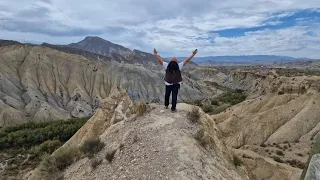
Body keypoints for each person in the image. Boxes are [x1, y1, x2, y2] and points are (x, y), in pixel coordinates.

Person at [153, 48, 198, 112]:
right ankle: (173, 109)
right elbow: (187, 60)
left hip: (168, 84)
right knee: (174, 96)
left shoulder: (167, 65)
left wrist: (155, 54)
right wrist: (193, 54)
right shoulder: (179, 66)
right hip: (176, 84)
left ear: (171, 61)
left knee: (167, 95)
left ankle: (166, 105)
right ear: (176, 61)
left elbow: (160, 61)